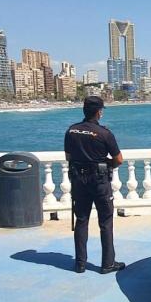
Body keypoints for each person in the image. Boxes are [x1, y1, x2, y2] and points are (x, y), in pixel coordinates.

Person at [64, 96, 126, 274]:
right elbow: (119, 159)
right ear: (99, 112)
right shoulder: (104, 133)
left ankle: (80, 264)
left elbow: (68, 157)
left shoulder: (71, 131)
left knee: (81, 220)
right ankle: (108, 264)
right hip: (99, 181)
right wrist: (106, 164)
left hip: (78, 180)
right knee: (105, 222)